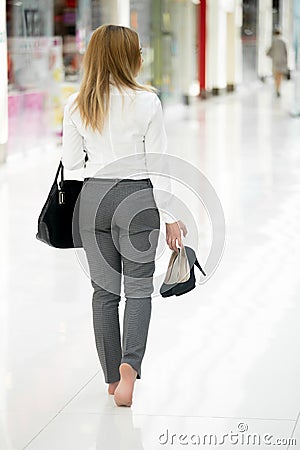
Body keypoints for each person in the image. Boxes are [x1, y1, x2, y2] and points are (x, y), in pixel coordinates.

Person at [61, 24, 187, 407]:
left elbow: (71, 166)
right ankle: (130, 369)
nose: (142, 55)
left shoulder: (76, 103)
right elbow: (159, 164)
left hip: (93, 199)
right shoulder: (147, 101)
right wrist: (169, 216)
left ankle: (112, 379)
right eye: (138, 49)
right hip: (136, 198)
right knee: (137, 290)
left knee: (103, 293)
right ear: (125, 56)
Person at [266, 29, 288, 97]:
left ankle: (277, 88)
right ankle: (278, 89)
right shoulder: (283, 42)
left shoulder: (274, 42)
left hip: (275, 61)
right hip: (282, 62)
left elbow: (268, 52)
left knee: (276, 76)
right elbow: (286, 53)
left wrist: (272, 55)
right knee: (280, 76)